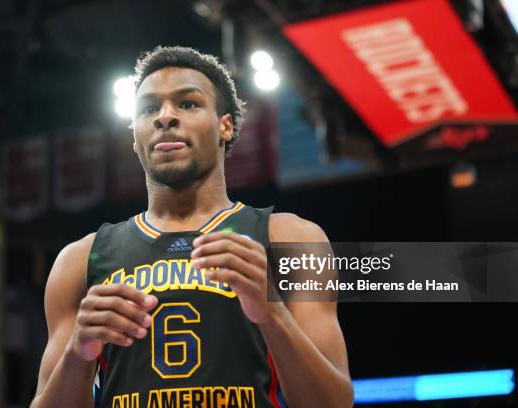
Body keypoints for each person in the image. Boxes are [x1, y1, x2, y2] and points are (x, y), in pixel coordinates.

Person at [30, 46, 353, 408]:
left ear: (225, 126)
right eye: (149, 108)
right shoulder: (80, 259)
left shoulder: (293, 238)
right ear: (135, 137)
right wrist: (78, 353)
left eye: (187, 104)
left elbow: (335, 404)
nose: (164, 117)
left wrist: (272, 313)